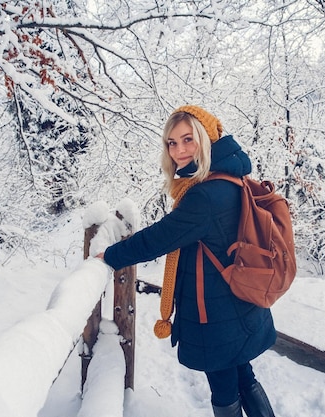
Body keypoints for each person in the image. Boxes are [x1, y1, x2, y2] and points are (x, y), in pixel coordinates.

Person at [96, 105, 276, 417]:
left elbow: (159, 238)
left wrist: (110, 255)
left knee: (223, 387)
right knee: (242, 374)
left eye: (188, 139)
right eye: (172, 142)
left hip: (217, 313)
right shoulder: (231, 177)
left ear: (206, 139)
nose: (179, 150)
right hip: (237, 302)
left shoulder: (205, 195)